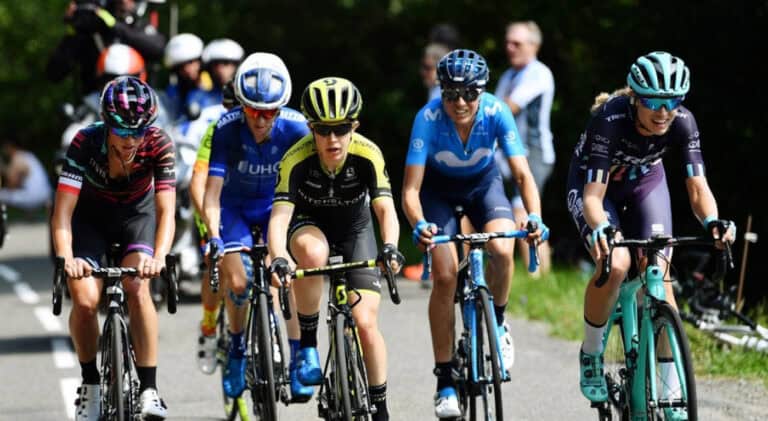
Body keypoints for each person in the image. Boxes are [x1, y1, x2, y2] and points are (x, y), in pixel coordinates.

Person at [565, 51, 736, 407]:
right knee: (618, 264)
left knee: (661, 279)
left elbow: (697, 187)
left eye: (672, 102)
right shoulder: (609, 120)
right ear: (636, 98)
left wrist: (713, 222)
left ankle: (673, 395)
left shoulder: (683, 122)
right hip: (597, 189)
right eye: (654, 103)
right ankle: (592, 353)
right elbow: (593, 197)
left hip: (645, 184)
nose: (664, 112)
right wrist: (603, 230)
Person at [401, 49, 548, 418]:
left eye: (469, 93)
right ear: (442, 93)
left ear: (482, 92)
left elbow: (523, 175)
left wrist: (534, 217)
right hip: (438, 192)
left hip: (484, 187)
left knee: (501, 247)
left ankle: (497, 321)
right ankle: (445, 380)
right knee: (446, 274)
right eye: (451, 94)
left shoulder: (497, 112)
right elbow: (410, 191)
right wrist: (419, 224)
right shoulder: (428, 118)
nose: (461, 102)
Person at [267, 77, 404, 421]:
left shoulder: (367, 153)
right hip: (309, 223)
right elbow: (280, 217)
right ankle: (309, 347)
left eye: (341, 129)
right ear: (310, 127)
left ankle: (381, 408)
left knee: (365, 322)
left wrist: (390, 247)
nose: (333, 139)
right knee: (314, 254)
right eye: (323, 130)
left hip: (355, 228)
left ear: (353, 126)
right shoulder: (295, 159)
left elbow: (385, 209)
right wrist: (279, 256)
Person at [51, 76, 174, 420]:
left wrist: (160, 257)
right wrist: (66, 259)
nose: (131, 140)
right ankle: (90, 384)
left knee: (138, 287)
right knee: (87, 300)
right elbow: (62, 213)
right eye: (122, 132)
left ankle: (149, 388)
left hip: (137, 215)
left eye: (138, 132)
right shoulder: (85, 142)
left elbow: (166, 210)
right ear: (106, 124)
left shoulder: (158, 142)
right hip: (89, 218)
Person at [202, 52, 311, 401]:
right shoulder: (226, 129)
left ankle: (297, 358)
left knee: (286, 277)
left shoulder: (296, 128)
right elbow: (212, 193)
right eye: (252, 111)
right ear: (242, 106)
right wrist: (214, 236)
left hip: (276, 207)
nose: (261, 120)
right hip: (234, 208)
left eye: (269, 112)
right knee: (238, 281)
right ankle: (235, 349)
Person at [493, 20, 555, 277]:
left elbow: (505, 108)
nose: (509, 48)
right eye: (507, 42)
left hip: (534, 152)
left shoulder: (538, 73)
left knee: (525, 210)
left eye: (516, 43)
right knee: (510, 209)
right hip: (507, 155)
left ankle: (538, 276)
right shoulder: (509, 75)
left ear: (534, 45)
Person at [189, 79, 236, 375]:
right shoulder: (215, 129)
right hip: (214, 203)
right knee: (215, 264)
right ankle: (209, 323)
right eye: (231, 107)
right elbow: (197, 182)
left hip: (251, 202)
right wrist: (210, 224)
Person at [46, 0, 166, 96]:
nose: (123, 1)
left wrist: (114, 26)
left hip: (140, 103)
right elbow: (54, 73)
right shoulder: (93, 31)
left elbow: (158, 49)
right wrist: (74, 30)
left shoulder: (141, 27)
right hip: (96, 106)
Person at [162, 32, 211, 122]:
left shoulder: (212, 88)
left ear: (200, 61)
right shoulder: (172, 93)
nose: (187, 69)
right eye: (181, 66)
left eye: (191, 62)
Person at [186, 38, 244, 113]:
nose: (220, 69)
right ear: (209, 68)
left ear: (237, 66)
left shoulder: (246, 98)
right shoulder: (197, 98)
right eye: (216, 64)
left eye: (226, 63)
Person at [0, 138, 53, 213]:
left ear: (10, 147)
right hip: (46, 195)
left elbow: (12, 184)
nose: (4, 151)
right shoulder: (29, 156)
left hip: (34, 198)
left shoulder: (18, 157)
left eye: (5, 148)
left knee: (2, 195)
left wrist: (2, 169)